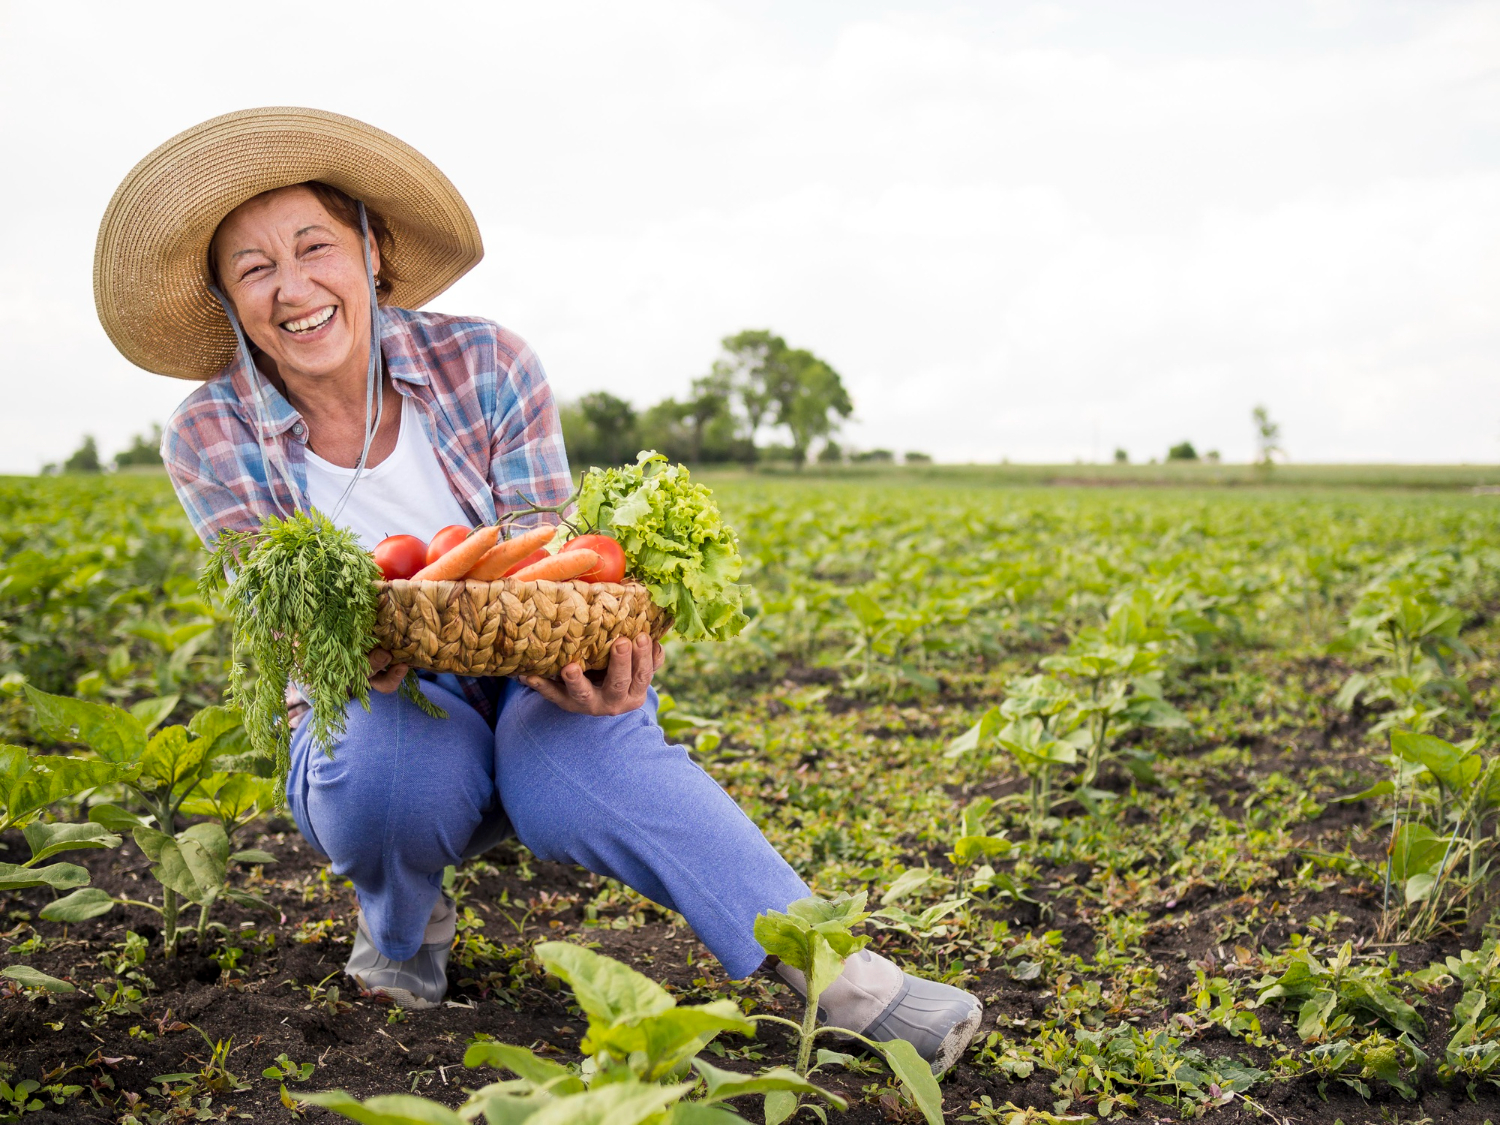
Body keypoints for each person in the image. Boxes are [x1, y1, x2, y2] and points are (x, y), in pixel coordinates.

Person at [94, 107, 983, 1073]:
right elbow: (283, 628)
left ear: (372, 250)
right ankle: (403, 932)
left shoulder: (487, 363)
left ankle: (845, 981)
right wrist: (355, 649)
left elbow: (557, 569)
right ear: (226, 297)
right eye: (254, 267)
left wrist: (606, 666)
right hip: (375, 706)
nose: (293, 287)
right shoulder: (208, 434)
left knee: (589, 760)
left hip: (527, 681)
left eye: (315, 246)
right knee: (390, 764)